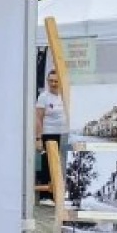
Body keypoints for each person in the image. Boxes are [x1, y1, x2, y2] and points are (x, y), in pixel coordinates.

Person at [36, 68, 68, 200]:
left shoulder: (65, 95)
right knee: (47, 166)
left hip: (64, 135)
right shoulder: (44, 97)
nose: (53, 84)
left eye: (56, 81)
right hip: (48, 134)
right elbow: (38, 118)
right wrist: (38, 138)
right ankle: (45, 197)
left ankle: (59, 196)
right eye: (50, 81)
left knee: (61, 165)